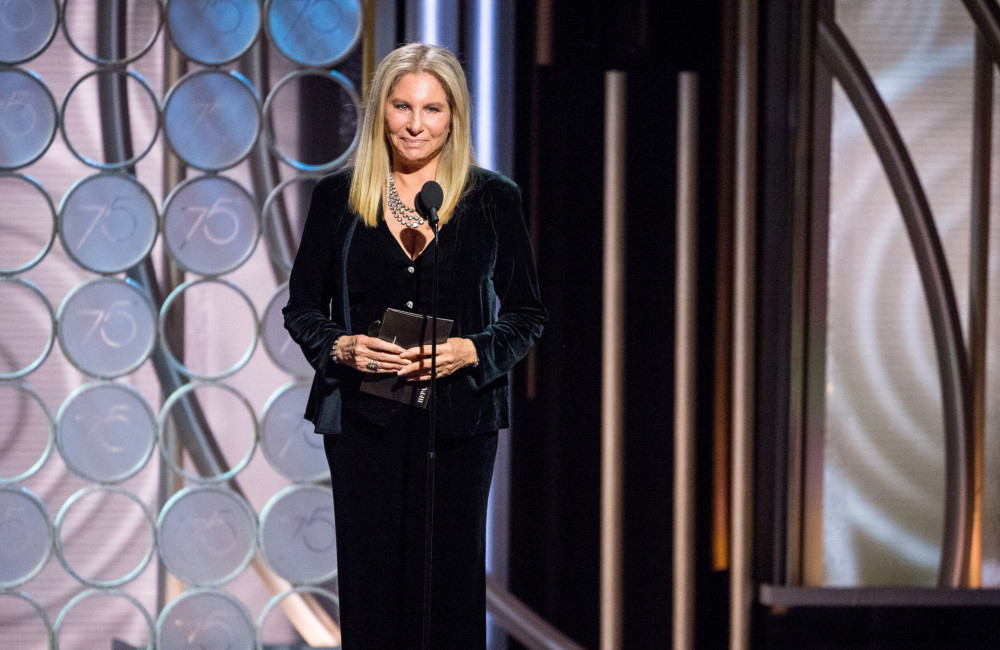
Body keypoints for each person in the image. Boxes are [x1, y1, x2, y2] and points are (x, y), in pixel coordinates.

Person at [283, 42, 547, 648]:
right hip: (362, 421)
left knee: (449, 588)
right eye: (402, 106)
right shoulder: (339, 198)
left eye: (432, 109)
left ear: (454, 117)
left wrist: (471, 350)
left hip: (458, 426)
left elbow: (528, 314)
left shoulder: (492, 200)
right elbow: (302, 309)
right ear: (381, 110)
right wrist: (342, 347)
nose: (415, 124)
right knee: (372, 587)